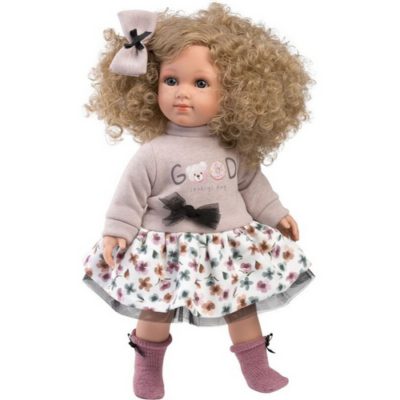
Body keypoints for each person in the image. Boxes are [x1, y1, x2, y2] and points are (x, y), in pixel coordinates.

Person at [81, 3, 316, 399]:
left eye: (201, 83)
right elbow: (128, 196)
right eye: (171, 80)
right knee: (155, 309)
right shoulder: (152, 153)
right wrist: (117, 232)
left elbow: (252, 186)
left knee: (242, 305)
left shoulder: (231, 148)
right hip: (165, 247)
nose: (183, 93)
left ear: (235, 94)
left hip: (228, 244)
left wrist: (277, 214)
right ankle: (147, 368)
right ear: (152, 84)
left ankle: (256, 367)